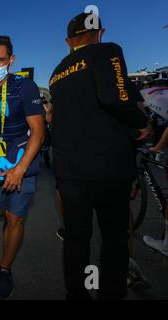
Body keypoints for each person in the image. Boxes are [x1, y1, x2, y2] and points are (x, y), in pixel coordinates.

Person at [49, 12, 151, 300]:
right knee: (114, 237)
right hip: (108, 167)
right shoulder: (108, 51)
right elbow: (115, 97)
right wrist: (140, 122)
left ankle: (77, 295)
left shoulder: (58, 70)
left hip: (69, 171)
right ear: (100, 32)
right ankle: (111, 293)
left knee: (77, 238)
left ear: (69, 41)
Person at [0, 36, 45, 299]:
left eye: (0, 60)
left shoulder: (25, 86)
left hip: (21, 159)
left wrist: (20, 168)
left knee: (14, 218)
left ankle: (5, 269)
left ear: (11, 60)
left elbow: (38, 132)